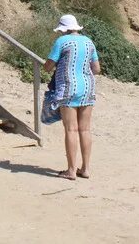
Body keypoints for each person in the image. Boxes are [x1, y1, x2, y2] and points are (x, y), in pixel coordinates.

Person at [43, 14, 101, 181]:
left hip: (68, 87)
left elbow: (48, 66)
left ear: (64, 29)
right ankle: (86, 169)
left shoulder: (62, 41)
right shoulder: (89, 42)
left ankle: (71, 170)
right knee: (85, 129)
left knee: (71, 129)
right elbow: (96, 68)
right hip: (88, 87)